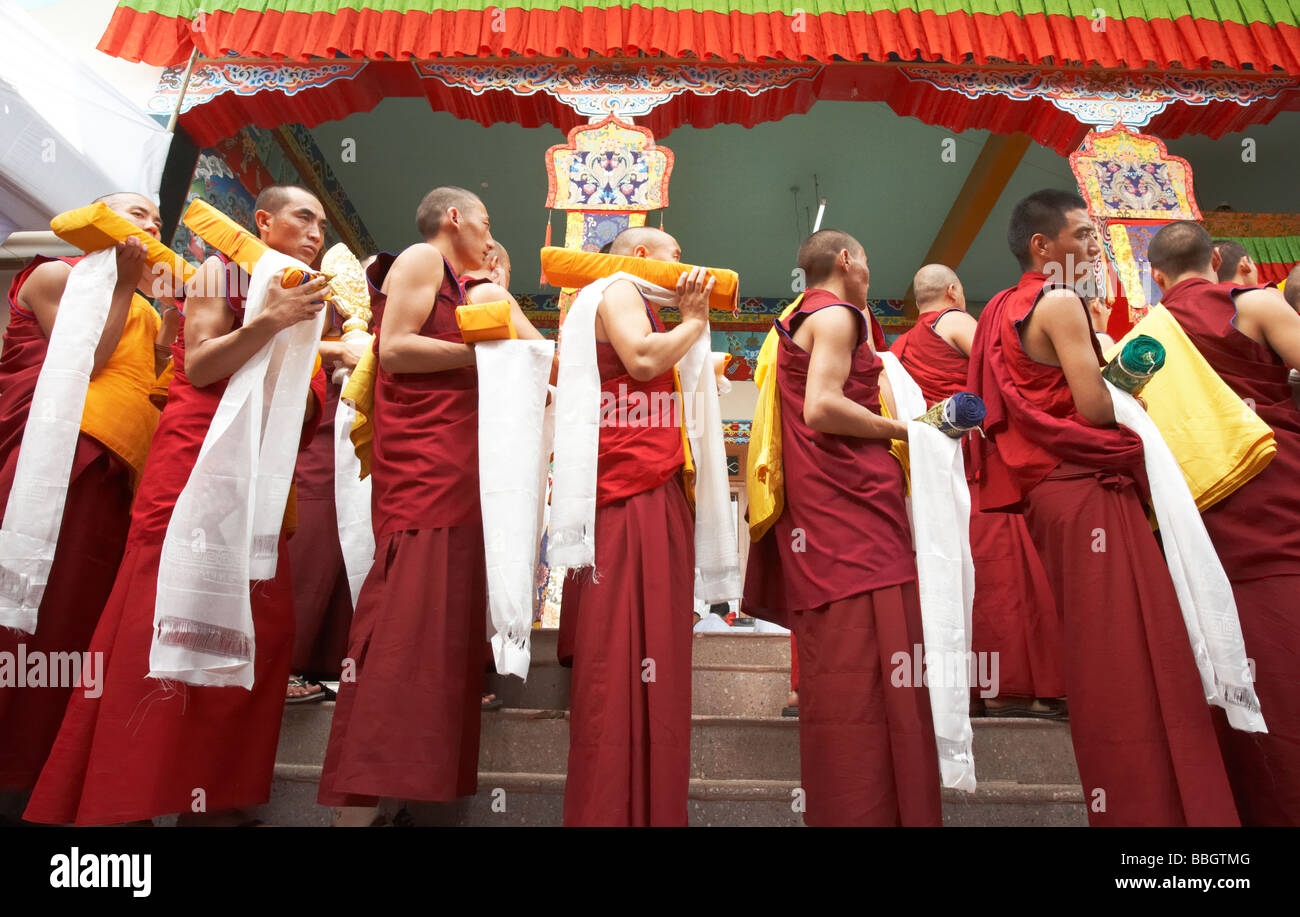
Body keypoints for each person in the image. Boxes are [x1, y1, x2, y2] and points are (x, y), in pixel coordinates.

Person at [25, 185, 330, 826]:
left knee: (256, 623)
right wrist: (270, 321)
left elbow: (299, 402)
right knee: (157, 616)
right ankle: (122, 800)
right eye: (304, 217)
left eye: (322, 224)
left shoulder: (303, 293)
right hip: (193, 458)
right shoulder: (222, 271)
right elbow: (203, 365)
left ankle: (214, 796)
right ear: (264, 221)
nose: (315, 231)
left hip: (256, 476)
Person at [967, 189, 1238, 826]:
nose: (1095, 246)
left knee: (1102, 644)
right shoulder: (1059, 301)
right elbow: (1092, 407)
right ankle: (1163, 816)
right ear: (1044, 246)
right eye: (1084, 235)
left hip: (1048, 492)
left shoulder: (998, 310)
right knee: (1132, 643)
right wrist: (1138, 380)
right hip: (1086, 487)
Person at [318, 188, 543, 827]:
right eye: (487, 221)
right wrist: (484, 357)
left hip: (466, 475)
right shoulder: (421, 259)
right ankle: (358, 809)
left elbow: (536, 362)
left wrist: (497, 294)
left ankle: (419, 797)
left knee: (442, 634)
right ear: (455, 218)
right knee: (402, 622)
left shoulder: (472, 286)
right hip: (425, 470)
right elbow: (395, 349)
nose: (491, 234)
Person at [745, 229, 942, 826]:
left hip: (828, 512)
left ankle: (851, 807)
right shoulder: (838, 316)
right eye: (869, 260)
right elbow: (822, 407)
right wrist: (914, 431)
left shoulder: (794, 321)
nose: (870, 274)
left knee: (844, 669)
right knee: (873, 662)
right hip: (852, 515)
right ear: (847, 259)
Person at [0, 193, 179, 797]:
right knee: (31, 612)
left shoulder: (150, 311)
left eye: (157, 219)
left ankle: (35, 775)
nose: (151, 225)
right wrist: (125, 287)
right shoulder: (56, 274)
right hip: (57, 465)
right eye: (136, 214)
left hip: (117, 470)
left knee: (74, 619)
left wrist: (170, 331)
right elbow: (88, 361)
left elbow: (152, 386)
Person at [557, 226, 710, 826]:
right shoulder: (620, 287)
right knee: (626, 649)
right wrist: (693, 322)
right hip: (631, 488)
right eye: (678, 255)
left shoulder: (629, 300)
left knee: (651, 647)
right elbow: (643, 359)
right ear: (643, 257)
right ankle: (613, 807)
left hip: (644, 480)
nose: (684, 267)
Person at [1149, 220, 1300, 825]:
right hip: (1281, 479)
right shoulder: (1258, 303)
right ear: (1217, 259)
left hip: (1208, 516)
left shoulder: (1143, 339)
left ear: (1155, 279)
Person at [890, 264, 1065, 717]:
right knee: (1004, 572)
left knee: (954, 576)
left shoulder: (900, 347)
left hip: (933, 472)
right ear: (953, 291)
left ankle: (965, 690)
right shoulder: (955, 321)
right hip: (976, 464)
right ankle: (1017, 685)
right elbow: (1000, 368)